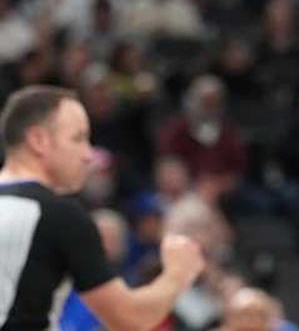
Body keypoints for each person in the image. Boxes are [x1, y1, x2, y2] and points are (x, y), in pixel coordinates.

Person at [0, 85, 206, 331]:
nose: (88, 154)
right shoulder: (58, 215)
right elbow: (130, 319)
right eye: (78, 139)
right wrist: (178, 274)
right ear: (38, 140)